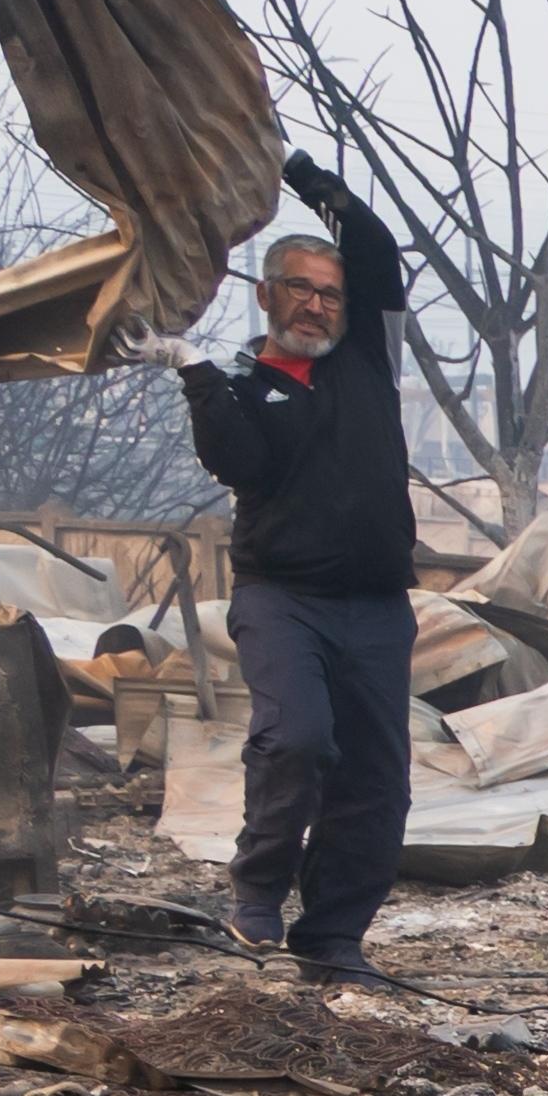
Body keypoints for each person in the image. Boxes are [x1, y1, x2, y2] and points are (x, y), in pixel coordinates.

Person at [178, 152, 416, 979]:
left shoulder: (367, 364)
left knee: (379, 787)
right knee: (299, 740)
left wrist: (311, 180)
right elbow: (239, 464)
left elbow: (380, 248)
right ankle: (255, 893)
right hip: (283, 599)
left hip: (381, 607)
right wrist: (194, 375)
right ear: (266, 295)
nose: (316, 305)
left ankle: (333, 941)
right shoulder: (241, 386)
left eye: (330, 292)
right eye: (301, 289)